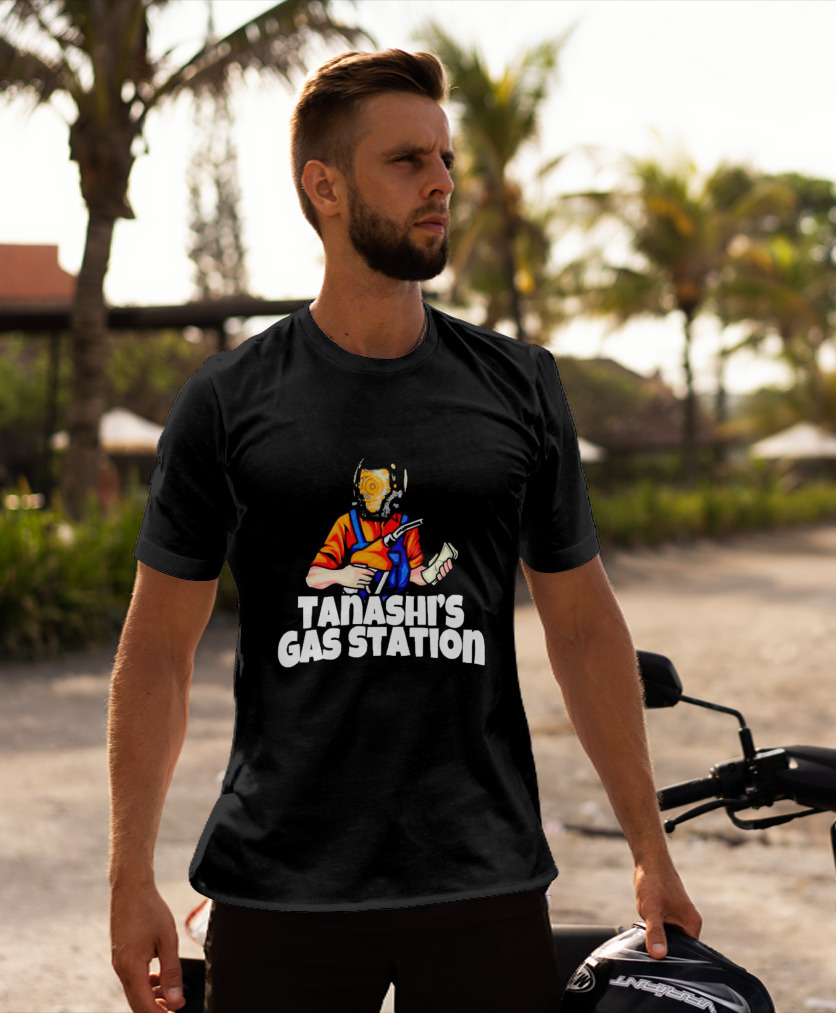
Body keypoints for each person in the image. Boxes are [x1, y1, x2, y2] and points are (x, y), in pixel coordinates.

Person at [108, 48, 701, 1013]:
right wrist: (129, 874)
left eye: (446, 157)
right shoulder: (228, 401)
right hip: (280, 880)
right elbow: (156, 653)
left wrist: (650, 847)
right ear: (325, 187)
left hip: (484, 876)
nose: (442, 183)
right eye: (408, 161)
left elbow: (585, 629)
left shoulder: (520, 385)